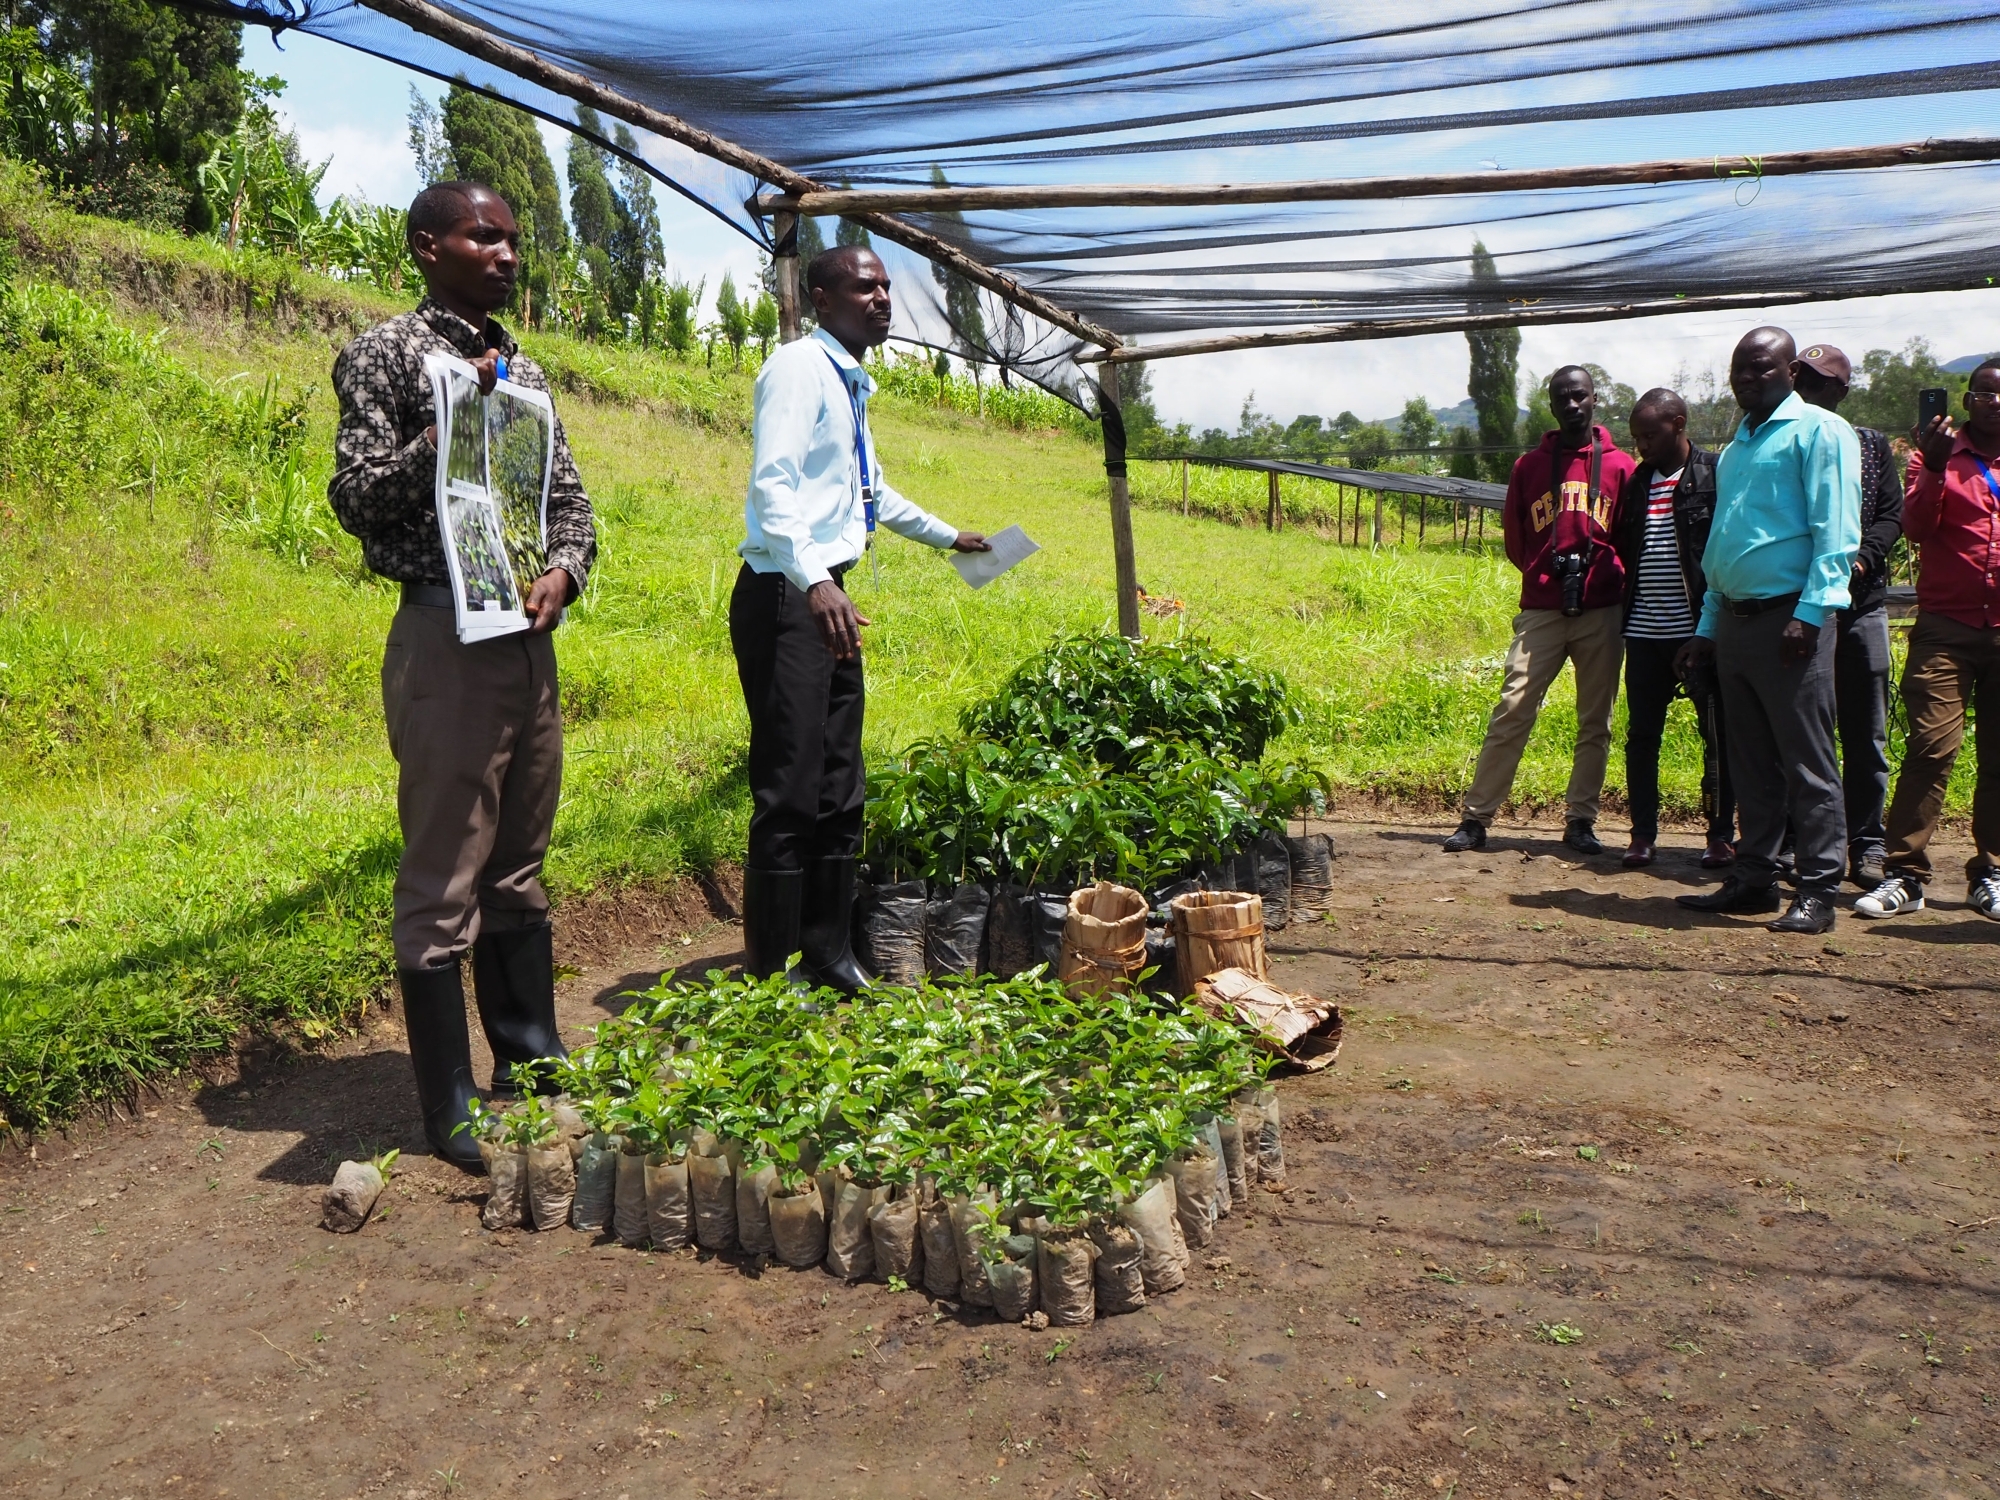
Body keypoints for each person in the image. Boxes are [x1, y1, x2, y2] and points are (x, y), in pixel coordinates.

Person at [330, 182, 596, 1171]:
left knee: (519, 860)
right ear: (427, 245)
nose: (506, 253)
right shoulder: (390, 355)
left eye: (513, 239)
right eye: (484, 236)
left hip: (525, 639)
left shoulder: (521, 372)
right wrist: (447, 427)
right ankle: (449, 1109)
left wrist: (564, 569)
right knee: (444, 874)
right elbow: (355, 494)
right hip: (445, 637)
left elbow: (567, 499)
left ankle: (529, 1058)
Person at [733, 245, 989, 987]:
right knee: (788, 786)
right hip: (787, 593)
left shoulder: (849, 385)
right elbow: (773, 490)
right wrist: (816, 583)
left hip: (825, 596)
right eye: (863, 287)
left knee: (840, 781)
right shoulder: (796, 370)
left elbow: (869, 491)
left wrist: (950, 537)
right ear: (821, 296)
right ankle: (769, 973)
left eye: (884, 287)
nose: (881, 298)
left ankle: (827, 951)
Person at [1675, 327, 1859, 935]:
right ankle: (1755, 877)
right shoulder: (1736, 448)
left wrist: (1812, 614)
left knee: (1807, 759)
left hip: (1791, 621)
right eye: (1738, 369)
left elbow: (1835, 534)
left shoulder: (1820, 432)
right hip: (1735, 621)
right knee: (1748, 760)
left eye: (1759, 368)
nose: (1745, 379)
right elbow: (1725, 547)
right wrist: (1707, 626)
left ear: (1789, 372)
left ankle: (1818, 888)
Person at [1443, 366, 1633, 855]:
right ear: (1551, 405)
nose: (1572, 405)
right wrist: (1543, 572)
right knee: (1512, 707)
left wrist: (1604, 571)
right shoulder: (1529, 466)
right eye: (1562, 398)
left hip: (1602, 608)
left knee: (1597, 719)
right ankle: (1476, 817)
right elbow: (1515, 538)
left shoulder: (1620, 466)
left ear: (1595, 398)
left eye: (1580, 396)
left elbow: (1631, 539)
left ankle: (1580, 821)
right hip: (1543, 608)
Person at [1853, 359, 2000, 921]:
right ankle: (1905, 876)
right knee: (1931, 748)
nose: (1992, 401)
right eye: (1983, 393)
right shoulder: (1933, 455)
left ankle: (1988, 873)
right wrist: (1936, 469)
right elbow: (1914, 528)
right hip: (1946, 627)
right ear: (1967, 402)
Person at [1790, 343, 1904, 888]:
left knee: (1866, 732)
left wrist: (1859, 562)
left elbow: (1889, 516)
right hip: (1803, 610)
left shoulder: (1870, 446)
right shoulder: (1785, 440)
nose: (1807, 390)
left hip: (1860, 610)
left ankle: (1868, 844)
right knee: (1802, 730)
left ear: (1841, 392)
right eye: (1801, 379)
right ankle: (1801, 840)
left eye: (1819, 382)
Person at [1612, 388, 1733, 869]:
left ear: (1679, 423)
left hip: (1698, 631)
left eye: (1650, 434)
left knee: (1717, 737)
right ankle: (1642, 834)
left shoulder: (1714, 473)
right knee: (1642, 736)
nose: (1641, 445)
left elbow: (1724, 548)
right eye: (1636, 436)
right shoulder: (1639, 482)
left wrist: (1710, 626)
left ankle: (1720, 835)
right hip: (1644, 632)